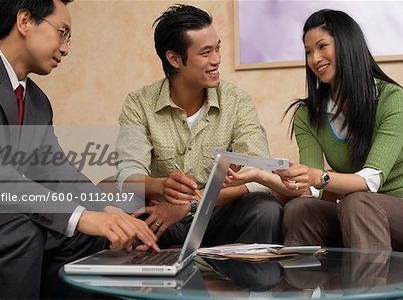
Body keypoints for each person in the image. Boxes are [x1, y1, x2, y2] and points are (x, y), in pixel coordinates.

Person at [0, 0, 158, 298]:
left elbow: (57, 171)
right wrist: (81, 216)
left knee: (87, 238)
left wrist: (106, 211)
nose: (66, 48)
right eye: (62, 32)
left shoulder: (37, 101)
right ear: (24, 21)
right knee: (21, 231)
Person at [224, 9, 403, 251]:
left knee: (357, 202)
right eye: (308, 52)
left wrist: (319, 176)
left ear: (347, 44)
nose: (315, 59)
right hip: (356, 208)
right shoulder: (307, 115)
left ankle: (370, 289)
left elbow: (370, 181)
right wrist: (260, 175)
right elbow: (310, 191)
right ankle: (303, 288)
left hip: (395, 207)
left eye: (322, 46)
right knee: (300, 208)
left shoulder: (392, 99)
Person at [115, 4, 282, 249]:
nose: (217, 60)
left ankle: (255, 287)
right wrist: (161, 185)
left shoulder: (237, 101)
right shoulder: (138, 103)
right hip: (161, 218)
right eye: (205, 52)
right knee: (119, 211)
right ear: (174, 58)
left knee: (265, 209)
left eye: (218, 48)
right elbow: (127, 174)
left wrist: (191, 204)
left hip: (219, 216)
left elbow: (259, 172)